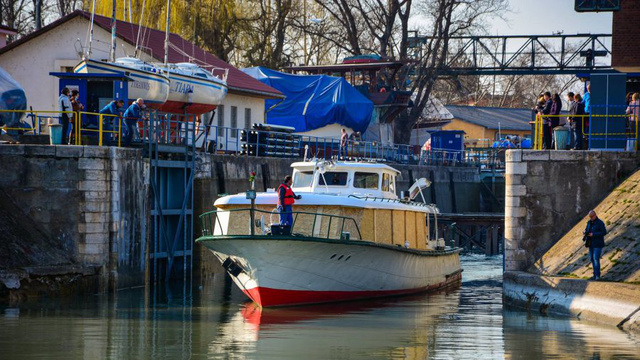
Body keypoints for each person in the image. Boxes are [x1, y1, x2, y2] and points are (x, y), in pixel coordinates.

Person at [584, 210, 607, 280]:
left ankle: (597, 276)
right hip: (590, 243)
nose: (590, 218)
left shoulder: (600, 222)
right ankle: (594, 275)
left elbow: (604, 232)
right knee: (592, 259)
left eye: (591, 216)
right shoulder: (589, 223)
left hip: (597, 244)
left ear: (595, 215)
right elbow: (586, 229)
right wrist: (585, 232)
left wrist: (594, 234)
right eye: (589, 217)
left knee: (596, 259)